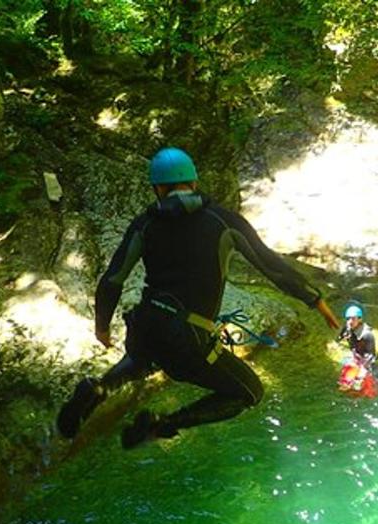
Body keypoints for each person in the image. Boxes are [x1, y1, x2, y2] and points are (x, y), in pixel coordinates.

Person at [57, 146, 339, 449]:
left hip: (145, 323)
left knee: (143, 356)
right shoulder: (224, 222)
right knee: (249, 392)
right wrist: (315, 300)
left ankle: (98, 388)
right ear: (194, 182)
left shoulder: (145, 223)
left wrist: (102, 327)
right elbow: (272, 266)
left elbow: (113, 279)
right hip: (188, 336)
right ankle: (161, 425)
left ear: (157, 188)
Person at [335, 302, 378, 396]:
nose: (350, 321)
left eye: (353, 318)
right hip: (355, 357)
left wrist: (361, 369)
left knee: (369, 387)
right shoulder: (347, 327)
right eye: (348, 319)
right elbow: (338, 339)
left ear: (360, 319)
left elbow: (371, 356)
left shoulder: (367, 335)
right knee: (345, 383)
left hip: (366, 360)